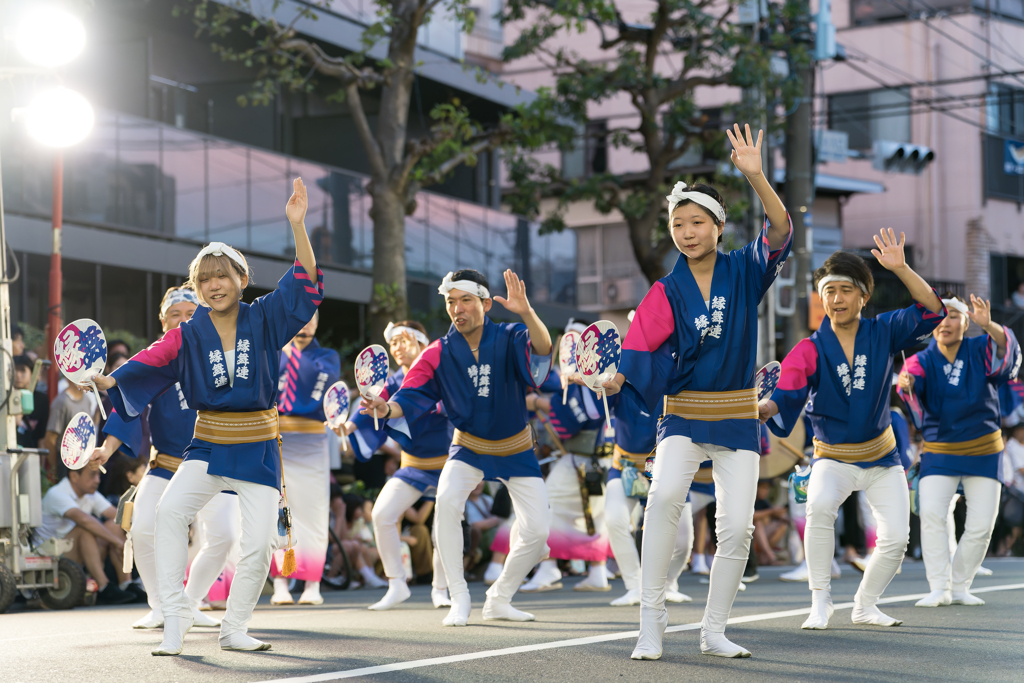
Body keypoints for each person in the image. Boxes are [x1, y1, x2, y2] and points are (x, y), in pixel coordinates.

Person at [574, 124, 791, 659]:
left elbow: (782, 230)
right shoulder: (664, 290)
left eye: (697, 222)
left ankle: (714, 630)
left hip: (738, 417)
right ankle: (651, 624)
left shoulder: (745, 270)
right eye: (677, 223)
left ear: (719, 226)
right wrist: (614, 378)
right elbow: (638, 354)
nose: (687, 231)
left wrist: (756, 175)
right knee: (665, 499)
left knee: (736, 527)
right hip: (683, 416)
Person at [89, 178, 322, 655]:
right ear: (198, 287)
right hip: (207, 443)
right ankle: (173, 618)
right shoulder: (187, 333)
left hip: (257, 447)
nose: (214, 285)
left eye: (223, 276)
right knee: (169, 513)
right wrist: (108, 381)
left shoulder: (265, 317)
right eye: (205, 279)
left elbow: (305, 285)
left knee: (256, 545)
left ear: (241, 278)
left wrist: (297, 225)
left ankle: (234, 628)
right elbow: (147, 363)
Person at [763, 241, 945, 631]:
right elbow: (786, 392)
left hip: (882, 457)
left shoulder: (883, 331)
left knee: (896, 537)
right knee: (819, 509)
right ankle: (820, 601)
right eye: (829, 291)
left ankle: (865, 603)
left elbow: (932, 309)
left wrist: (900, 268)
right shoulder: (810, 349)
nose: (837, 298)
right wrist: (765, 409)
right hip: (832, 459)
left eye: (846, 290)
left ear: (864, 295)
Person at [362, 268, 553, 626]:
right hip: (468, 447)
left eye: (466, 300)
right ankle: (458, 597)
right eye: (451, 302)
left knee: (539, 531)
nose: (457, 308)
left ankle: (500, 597)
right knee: (448, 504)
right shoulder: (438, 352)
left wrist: (526, 312)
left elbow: (541, 354)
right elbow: (411, 394)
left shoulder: (510, 335)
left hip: (516, 447)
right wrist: (386, 408)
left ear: (484, 302)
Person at [93, 285, 240, 631]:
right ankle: (160, 605)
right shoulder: (155, 360)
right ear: (163, 321)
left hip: (216, 460)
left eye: (191, 313)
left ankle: (189, 602)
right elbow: (129, 405)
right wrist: (106, 449)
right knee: (142, 526)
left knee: (223, 536)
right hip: (167, 463)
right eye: (176, 314)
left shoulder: (222, 354)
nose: (184, 320)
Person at [898, 295, 1020, 607]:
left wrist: (988, 324)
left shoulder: (980, 348)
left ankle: (961, 584)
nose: (945, 323)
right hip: (940, 450)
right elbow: (911, 381)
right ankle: (939, 586)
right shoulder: (921, 360)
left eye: (953, 316)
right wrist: (907, 383)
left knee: (981, 525)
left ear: (965, 322)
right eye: (940, 316)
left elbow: (1006, 354)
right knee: (932, 515)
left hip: (984, 448)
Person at [342, 320, 452, 610]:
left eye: (404, 341)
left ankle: (441, 588)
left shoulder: (439, 375)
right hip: (412, 465)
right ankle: (396, 583)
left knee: (445, 526)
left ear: (421, 343)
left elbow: (448, 406)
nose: (398, 348)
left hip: (448, 464)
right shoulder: (391, 382)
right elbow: (370, 407)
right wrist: (349, 425)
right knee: (382, 514)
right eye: (393, 343)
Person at [269, 311, 340, 607]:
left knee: (313, 511)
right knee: (279, 509)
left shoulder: (327, 357)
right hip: (277, 439)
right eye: (302, 317)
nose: (307, 323)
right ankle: (280, 582)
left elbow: (325, 393)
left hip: (311, 439)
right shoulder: (273, 352)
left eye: (313, 318)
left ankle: (312, 581)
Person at [520, 377, 612, 593]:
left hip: (585, 459)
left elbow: (585, 413)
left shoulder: (598, 378)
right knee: (594, 516)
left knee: (549, 506)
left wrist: (539, 403)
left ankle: (549, 567)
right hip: (597, 458)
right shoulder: (611, 372)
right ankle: (596, 572)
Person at [604, 393, 693, 606]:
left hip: (666, 466)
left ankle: (669, 584)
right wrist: (592, 382)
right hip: (625, 466)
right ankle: (634, 586)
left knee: (683, 537)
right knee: (614, 519)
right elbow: (597, 408)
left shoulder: (672, 378)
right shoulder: (621, 381)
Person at [36, 466, 136, 604]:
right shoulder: (57, 493)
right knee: (84, 530)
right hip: (51, 558)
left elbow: (118, 516)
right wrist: (118, 543)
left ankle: (126, 584)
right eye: (92, 475)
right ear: (74, 476)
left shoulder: (90, 493)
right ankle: (103, 586)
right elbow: (84, 520)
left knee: (115, 525)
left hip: (76, 551)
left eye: (99, 475)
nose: (98, 480)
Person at [43, 378, 100, 482]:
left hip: (83, 460)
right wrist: (56, 466)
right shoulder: (61, 402)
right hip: (66, 462)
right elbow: (50, 439)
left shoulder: (87, 399)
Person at [13, 355, 48, 449]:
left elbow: (41, 435)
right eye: (15, 370)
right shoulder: (6, 396)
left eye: (22, 370)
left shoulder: (41, 399)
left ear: (32, 373)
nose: (18, 375)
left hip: (31, 452)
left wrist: (41, 461)